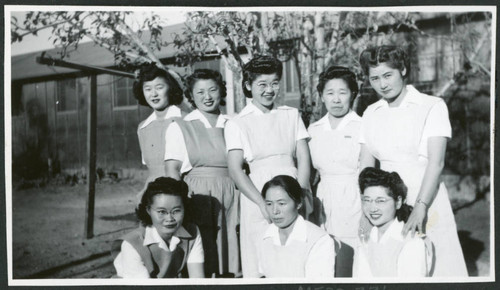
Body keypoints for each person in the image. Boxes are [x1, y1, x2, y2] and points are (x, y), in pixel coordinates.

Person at [358, 45, 467, 276]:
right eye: (374, 78)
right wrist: (366, 209)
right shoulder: (370, 113)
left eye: (388, 75)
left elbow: (436, 163)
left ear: (403, 70)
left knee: (437, 266)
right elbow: (366, 169)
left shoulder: (431, 106)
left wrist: (421, 207)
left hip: (425, 195)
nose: (382, 84)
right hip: (386, 200)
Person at [225, 55, 313, 278]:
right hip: (257, 195)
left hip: (292, 187)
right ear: (248, 85)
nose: (269, 90)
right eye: (262, 84)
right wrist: (261, 203)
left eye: (274, 83)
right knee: (260, 257)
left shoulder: (291, 115)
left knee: (295, 253)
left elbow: (303, 158)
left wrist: (300, 193)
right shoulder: (237, 122)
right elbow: (235, 170)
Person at [164, 69, 240, 277]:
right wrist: (178, 206)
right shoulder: (181, 126)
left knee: (234, 251)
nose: (207, 97)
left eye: (212, 90)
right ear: (191, 95)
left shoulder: (234, 122)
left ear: (221, 91)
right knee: (203, 254)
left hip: (234, 195)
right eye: (200, 92)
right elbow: (172, 171)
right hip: (198, 198)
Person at [307, 66, 362, 248]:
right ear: (322, 96)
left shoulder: (362, 126)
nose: (336, 100)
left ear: (352, 94)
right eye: (330, 93)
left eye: (342, 93)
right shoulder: (313, 130)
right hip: (322, 199)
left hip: (354, 198)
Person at [111, 177, 205, 278]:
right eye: (161, 212)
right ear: (148, 210)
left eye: (176, 210)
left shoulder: (192, 232)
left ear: (185, 208)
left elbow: (197, 279)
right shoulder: (132, 244)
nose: (169, 218)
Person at [354, 167, 432, 277]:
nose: (372, 208)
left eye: (380, 201)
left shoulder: (411, 241)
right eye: (367, 200)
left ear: (398, 202)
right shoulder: (367, 237)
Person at [257, 175, 335, 278]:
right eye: (269, 204)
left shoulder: (319, 240)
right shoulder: (264, 236)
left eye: (281, 203)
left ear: (298, 203)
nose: (275, 211)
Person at [134, 62, 186, 202]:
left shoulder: (186, 120)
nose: (154, 94)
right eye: (148, 89)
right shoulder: (143, 128)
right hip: (153, 196)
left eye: (159, 87)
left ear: (170, 88)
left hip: (183, 192)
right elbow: (152, 170)